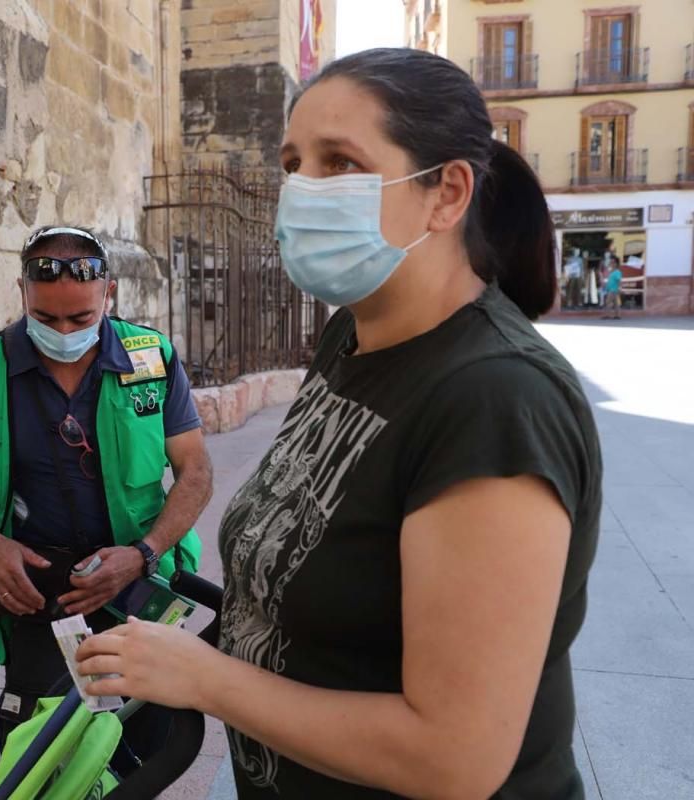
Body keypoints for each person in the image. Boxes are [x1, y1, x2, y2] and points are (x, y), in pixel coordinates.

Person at [76, 48, 602, 799]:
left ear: (446, 193)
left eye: (341, 162)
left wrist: (207, 680)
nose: (302, 190)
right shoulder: (350, 337)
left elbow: (454, 759)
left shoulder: (496, 400)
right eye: (293, 163)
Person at [0, 224, 212, 753]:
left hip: (132, 586)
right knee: (40, 750)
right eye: (46, 318)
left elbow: (196, 473)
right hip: (36, 596)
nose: (65, 332)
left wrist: (142, 555)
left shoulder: (150, 361)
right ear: (22, 293)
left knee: (144, 744)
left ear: (109, 294)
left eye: (82, 318)